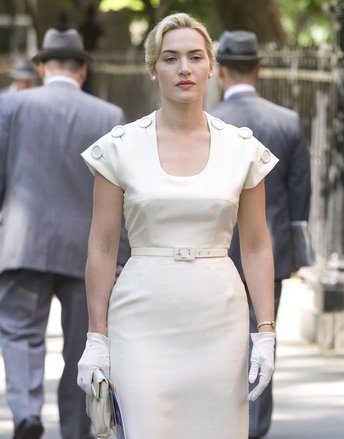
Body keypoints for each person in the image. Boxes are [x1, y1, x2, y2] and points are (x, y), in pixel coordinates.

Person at [75, 12, 278, 438]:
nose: (184, 68)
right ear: (153, 69)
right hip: (141, 318)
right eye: (170, 58)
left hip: (219, 318)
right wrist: (96, 337)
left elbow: (257, 245)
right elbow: (102, 247)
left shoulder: (242, 149)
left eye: (195, 57)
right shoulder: (119, 147)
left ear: (212, 67)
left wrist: (266, 333)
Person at [0, 29, 125, 439]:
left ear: (41, 68)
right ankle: (76, 430)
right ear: (83, 71)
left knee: (20, 332)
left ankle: (26, 412)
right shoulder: (109, 116)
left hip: (23, 242)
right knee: (81, 344)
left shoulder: (10, 105)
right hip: (87, 250)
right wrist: (121, 254)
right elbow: (123, 190)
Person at [208, 30, 311, 439]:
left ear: (219, 71)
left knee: (216, 339)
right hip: (271, 248)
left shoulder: (212, 121)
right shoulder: (286, 121)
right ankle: (254, 426)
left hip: (214, 248)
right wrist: (295, 251)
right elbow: (300, 193)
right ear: (259, 69)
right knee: (262, 336)